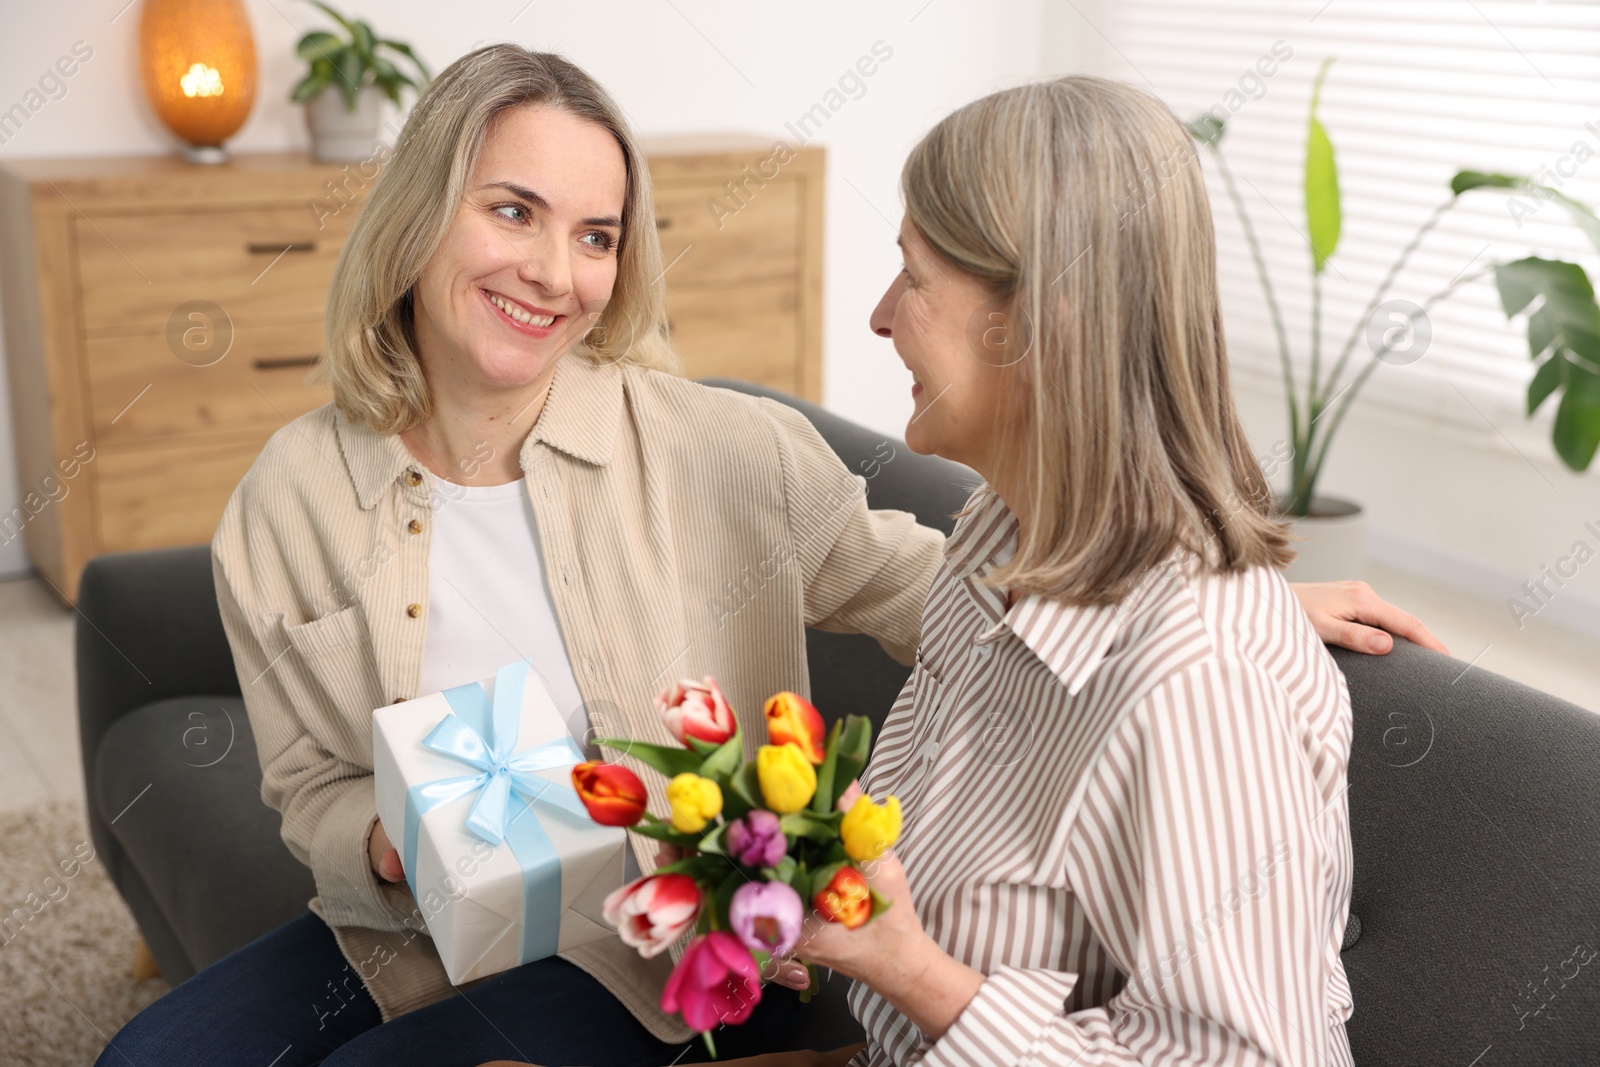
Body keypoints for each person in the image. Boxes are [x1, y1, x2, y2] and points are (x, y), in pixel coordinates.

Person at [98, 47, 1436, 1067]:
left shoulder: (722, 448)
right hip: (406, 932)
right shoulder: (289, 497)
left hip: (664, 942)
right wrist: (393, 844)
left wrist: (1227, 599)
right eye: (512, 210)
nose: (556, 271)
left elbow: (920, 580)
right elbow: (310, 789)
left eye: (599, 234)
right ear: (421, 216)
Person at [757, 75, 1366, 1066]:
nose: (878, 315)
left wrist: (916, 973)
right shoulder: (1000, 532)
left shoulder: (1200, 680)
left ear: (1043, 318)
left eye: (912, 276)